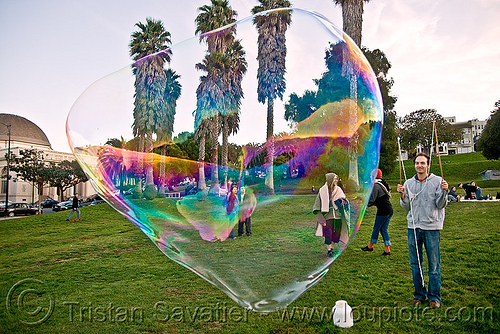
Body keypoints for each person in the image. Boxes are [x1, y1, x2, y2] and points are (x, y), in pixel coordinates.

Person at [397, 153, 448, 309]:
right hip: (413, 227)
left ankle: (434, 297)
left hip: (431, 227)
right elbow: (406, 207)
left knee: (433, 265)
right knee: (415, 264)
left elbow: (440, 205)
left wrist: (445, 191)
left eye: (422, 163)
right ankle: (419, 295)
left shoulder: (438, 181)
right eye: (417, 163)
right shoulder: (408, 183)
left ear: (428, 165)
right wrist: (403, 196)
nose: (419, 165)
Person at [313, 173, 347, 257]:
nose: (336, 181)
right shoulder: (322, 190)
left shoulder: (338, 189)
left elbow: (344, 200)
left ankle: (332, 248)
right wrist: (320, 217)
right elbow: (318, 204)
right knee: (328, 232)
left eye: (336, 179)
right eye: (334, 179)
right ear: (330, 180)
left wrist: (341, 202)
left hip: (338, 215)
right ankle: (329, 250)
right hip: (327, 215)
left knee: (337, 232)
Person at [361, 169, 393, 255]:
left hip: (383, 211)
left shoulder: (376, 185)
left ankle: (370, 246)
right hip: (388, 210)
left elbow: (372, 199)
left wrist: (363, 205)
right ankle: (387, 249)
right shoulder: (381, 184)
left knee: (376, 228)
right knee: (383, 229)